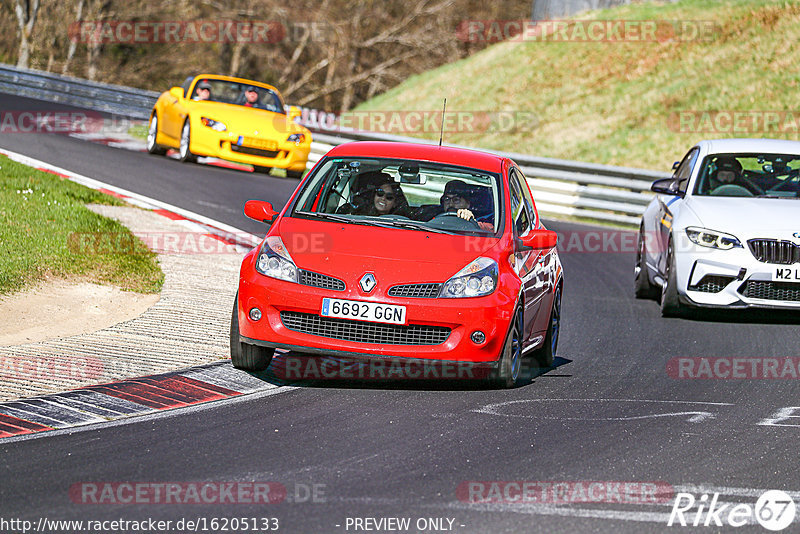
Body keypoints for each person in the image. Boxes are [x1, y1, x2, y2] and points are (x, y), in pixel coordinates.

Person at [337, 171, 408, 216]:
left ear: (395, 203)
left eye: (389, 197)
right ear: (374, 195)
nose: (383, 198)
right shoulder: (357, 214)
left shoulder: (402, 222)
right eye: (380, 193)